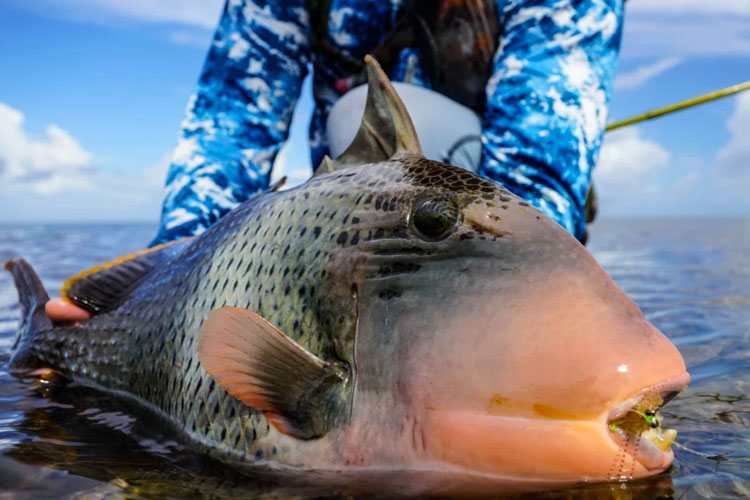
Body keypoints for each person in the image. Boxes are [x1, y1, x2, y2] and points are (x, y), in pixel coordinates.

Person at [45, 0, 624, 321]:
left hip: (486, 207)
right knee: (352, 117)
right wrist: (158, 289)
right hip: (340, 214)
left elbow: (538, 161)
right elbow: (230, 125)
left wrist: (518, 308)